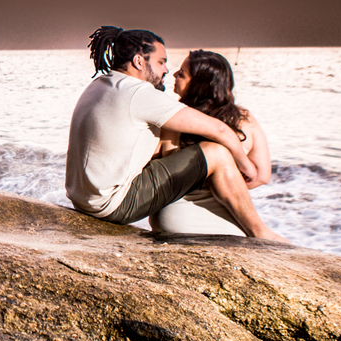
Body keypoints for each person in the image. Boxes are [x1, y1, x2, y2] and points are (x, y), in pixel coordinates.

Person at [64, 26, 286, 243]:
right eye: (161, 61)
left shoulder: (101, 85)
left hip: (83, 200)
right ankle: (260, 232)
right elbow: (220, 130)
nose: (167, 71)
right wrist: (246, 167)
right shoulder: (138, 93)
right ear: (139, 61)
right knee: (216, 152)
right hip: (112, 205)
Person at [148, 50, 269, 236]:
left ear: (199, 84)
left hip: (177, 218)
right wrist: (224, 187)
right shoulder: (244, 119)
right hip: (229, 221)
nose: (174, 74)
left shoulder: (174, 119)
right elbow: (261, 176)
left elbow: (160, 170)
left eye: (182, 74)